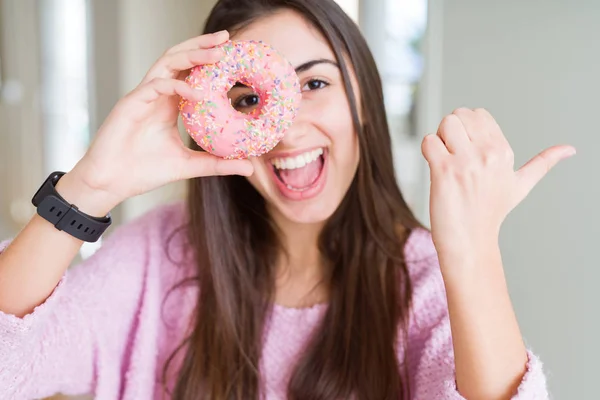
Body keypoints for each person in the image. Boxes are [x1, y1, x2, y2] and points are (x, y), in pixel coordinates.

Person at [0, 0, 575, 399]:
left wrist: (472, 253)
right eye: (248, 100)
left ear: (364, 101)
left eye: (316, 84)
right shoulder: (162, 256)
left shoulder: (425, 282)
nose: (288, 129)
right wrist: (88, 189)